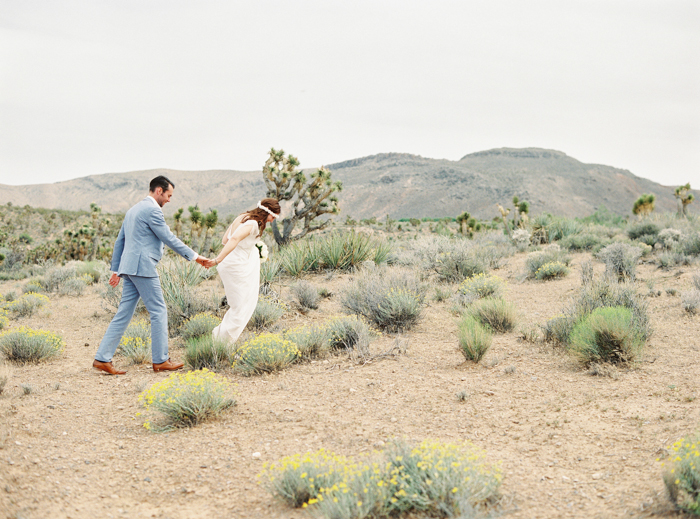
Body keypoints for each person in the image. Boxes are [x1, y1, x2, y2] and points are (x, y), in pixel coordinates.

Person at [93, 175, 212, 375]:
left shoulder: (133, 209)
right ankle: (161, 360)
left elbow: (119, 241)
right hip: (142, 266)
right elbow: (168, 237)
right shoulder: (152, 210)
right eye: (168, 195)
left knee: (124, 312)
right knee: (158, 310)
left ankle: (102, 358)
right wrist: (195, 257)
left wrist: (117, 270)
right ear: (159, 191)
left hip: (129, 268)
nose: (169, 199)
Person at [211, 198, 280, 344]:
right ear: (266, 211)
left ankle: (220, 340)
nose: (273, 221)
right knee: (242, 306)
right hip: (237, 266)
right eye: (273, 216)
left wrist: (248, 248)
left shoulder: (242, 217)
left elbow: (225, 240)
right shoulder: (254, 224)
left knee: (239, 305)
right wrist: (218, 259)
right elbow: (234, 238)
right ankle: (223, 343)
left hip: (232, 264)